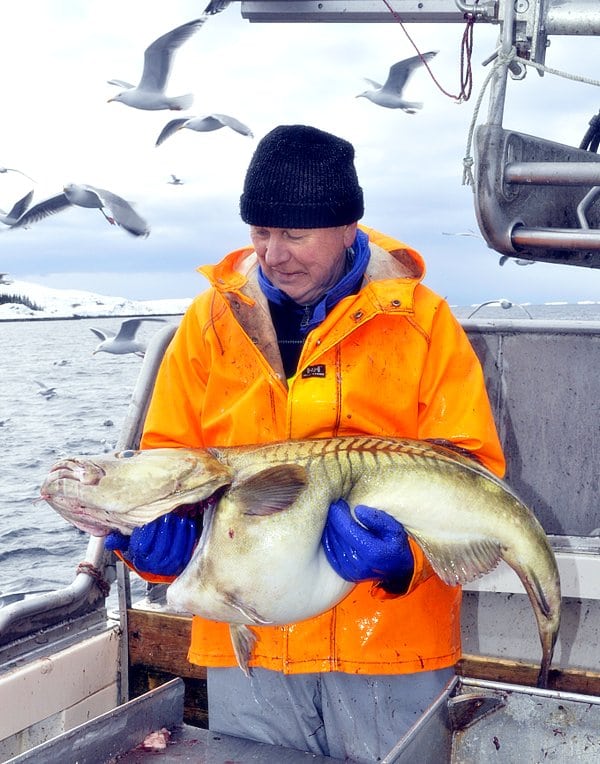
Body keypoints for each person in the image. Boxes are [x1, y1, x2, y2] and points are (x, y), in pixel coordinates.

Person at [107, 124, 505, 762]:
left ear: (349, 228)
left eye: (295, 233)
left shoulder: (423, 324)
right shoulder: (209, 325)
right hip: (250, 642)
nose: (274, 253)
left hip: (390, 644)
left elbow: (473, 478)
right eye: (261, 232)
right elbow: (171, 462)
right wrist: (161, 541)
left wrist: (407, 559)